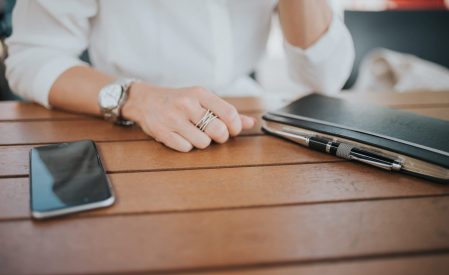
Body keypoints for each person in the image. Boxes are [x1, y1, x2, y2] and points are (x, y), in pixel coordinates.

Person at [5, 0, 354, 152]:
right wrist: (136, 99)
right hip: (122, 128)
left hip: (247, 129)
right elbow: (31, 55)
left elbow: (323, 77)